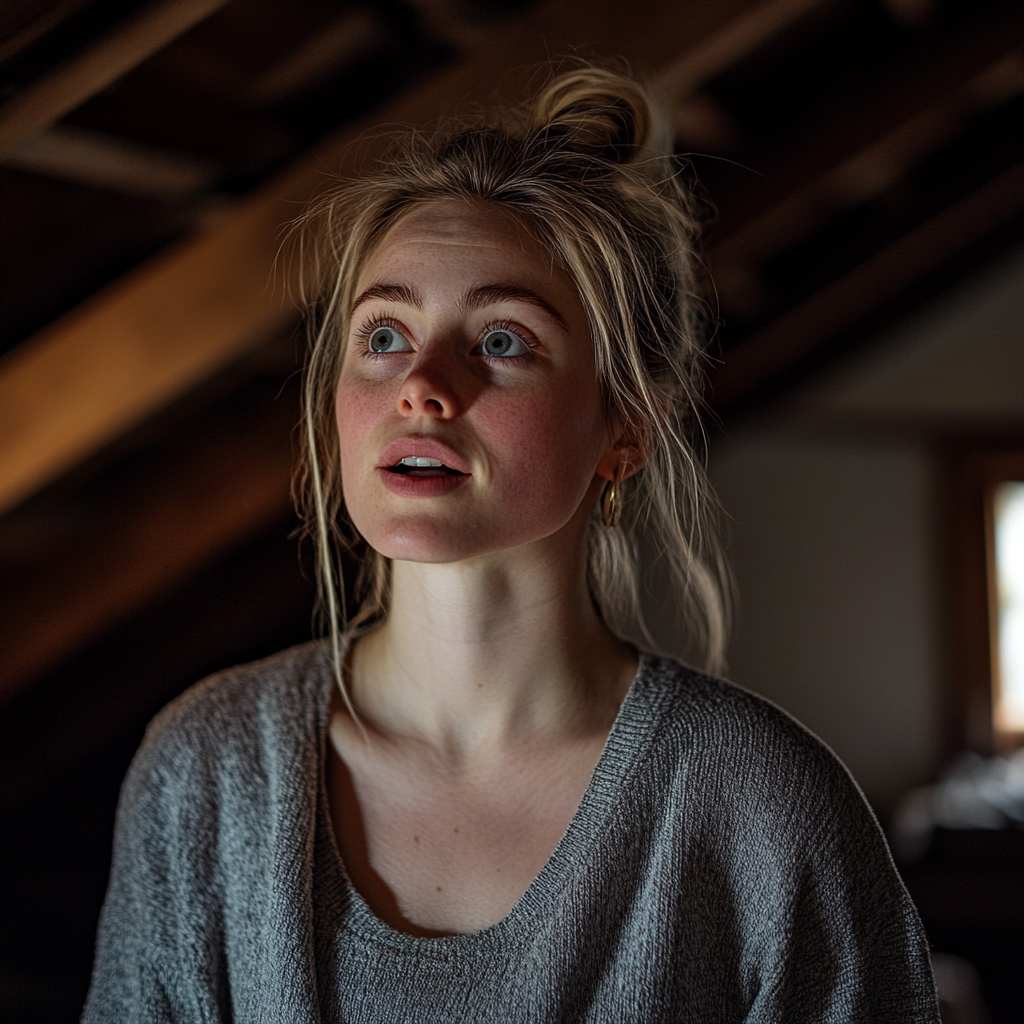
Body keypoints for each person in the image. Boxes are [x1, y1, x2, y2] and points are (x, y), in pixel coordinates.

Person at [82, 64, 939, 1022]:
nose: (420, 385)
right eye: (383, 335)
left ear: (626, 427)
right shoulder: (207, 771)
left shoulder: (767, 813)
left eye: (500, 340)